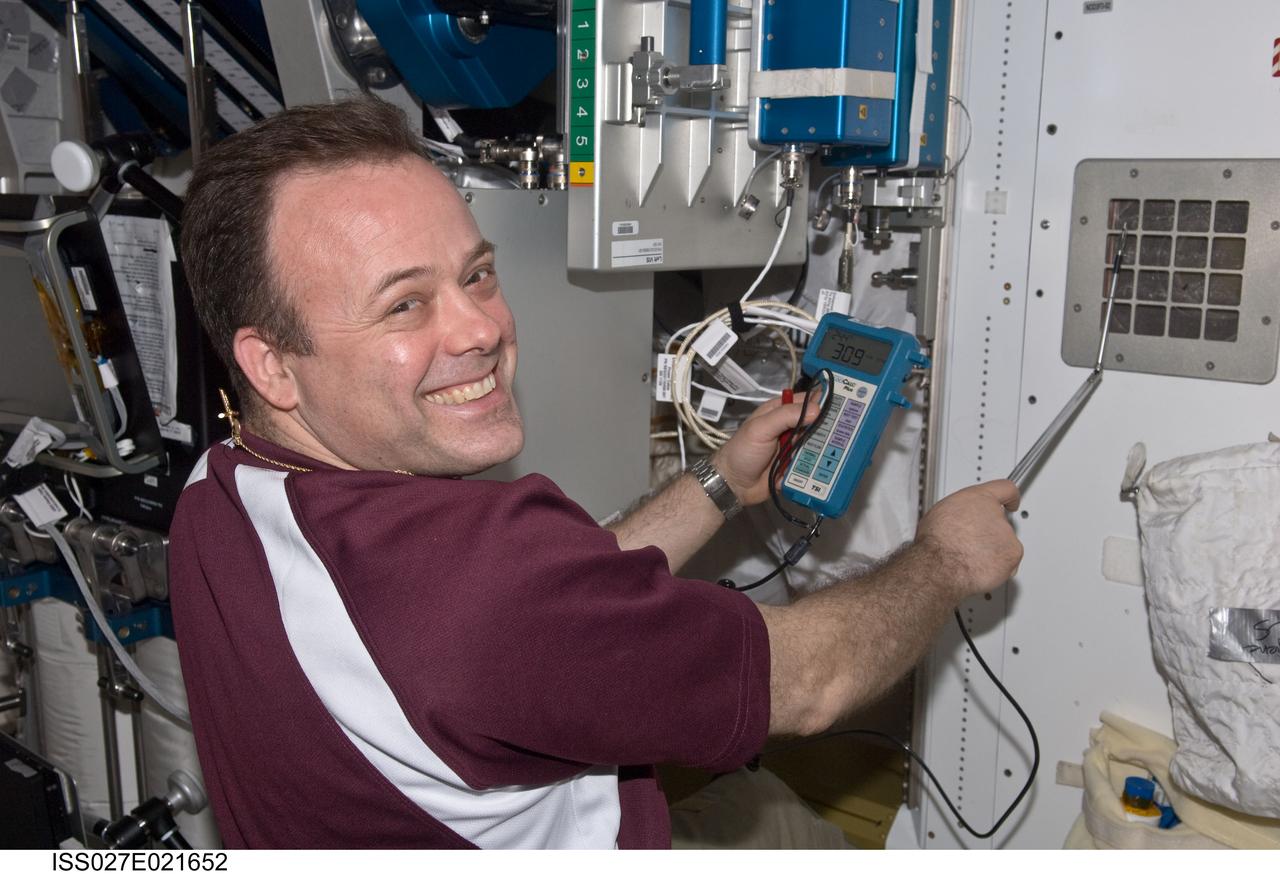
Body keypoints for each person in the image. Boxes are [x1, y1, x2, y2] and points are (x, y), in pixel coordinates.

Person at [169, 97, 1022, 849]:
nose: (481, 329)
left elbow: (547, 618)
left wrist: (720, 483)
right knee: (790, 825)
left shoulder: (218, 490)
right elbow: (812, 683)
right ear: (273, 364)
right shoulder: (480, 588)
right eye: (405, 304)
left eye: (476, 275)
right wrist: (946, 557)